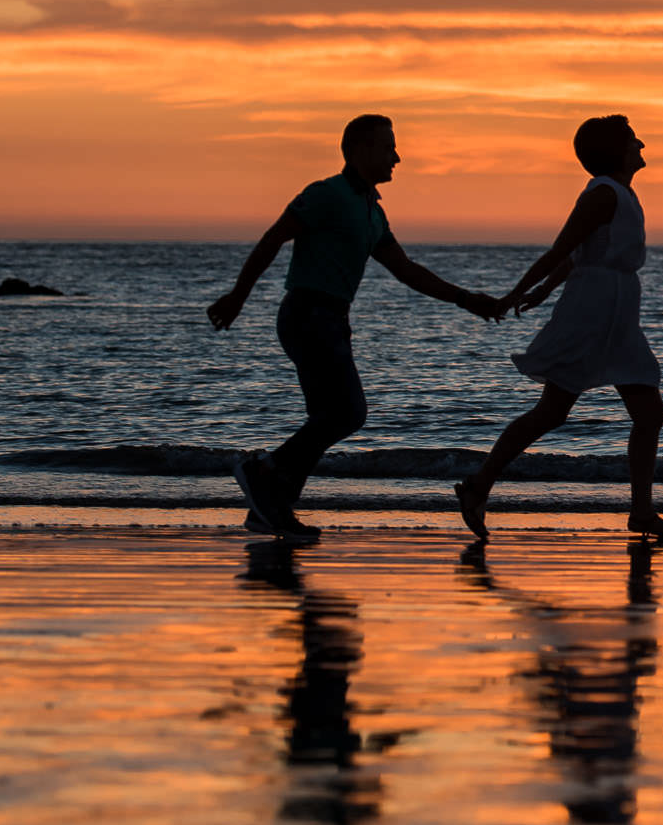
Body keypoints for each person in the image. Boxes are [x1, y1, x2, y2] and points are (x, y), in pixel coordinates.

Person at [208, 114, 502, 539]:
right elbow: (274, 238)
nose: (397, 157)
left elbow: (407, 270)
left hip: (332, 320)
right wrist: (238, 296)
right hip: (307, 315)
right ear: (359, 150)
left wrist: (467, 299)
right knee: (346, 412)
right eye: (388, 147)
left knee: (330, 415)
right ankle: (263, 473)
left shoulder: (371, 212)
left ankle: (270, 506)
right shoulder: (325, 194)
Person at [454, 114, 663, 543]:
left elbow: (580, 254)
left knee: (649, 412)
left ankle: (641, 511)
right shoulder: (602, 194)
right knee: (553, 411)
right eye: (633, 140)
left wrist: (544, 290)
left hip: (617, 312)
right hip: (592, 312)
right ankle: (478, 485)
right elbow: (561, 248)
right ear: (617, 150)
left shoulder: (620, 194)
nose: (641, 145)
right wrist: (516, 294)